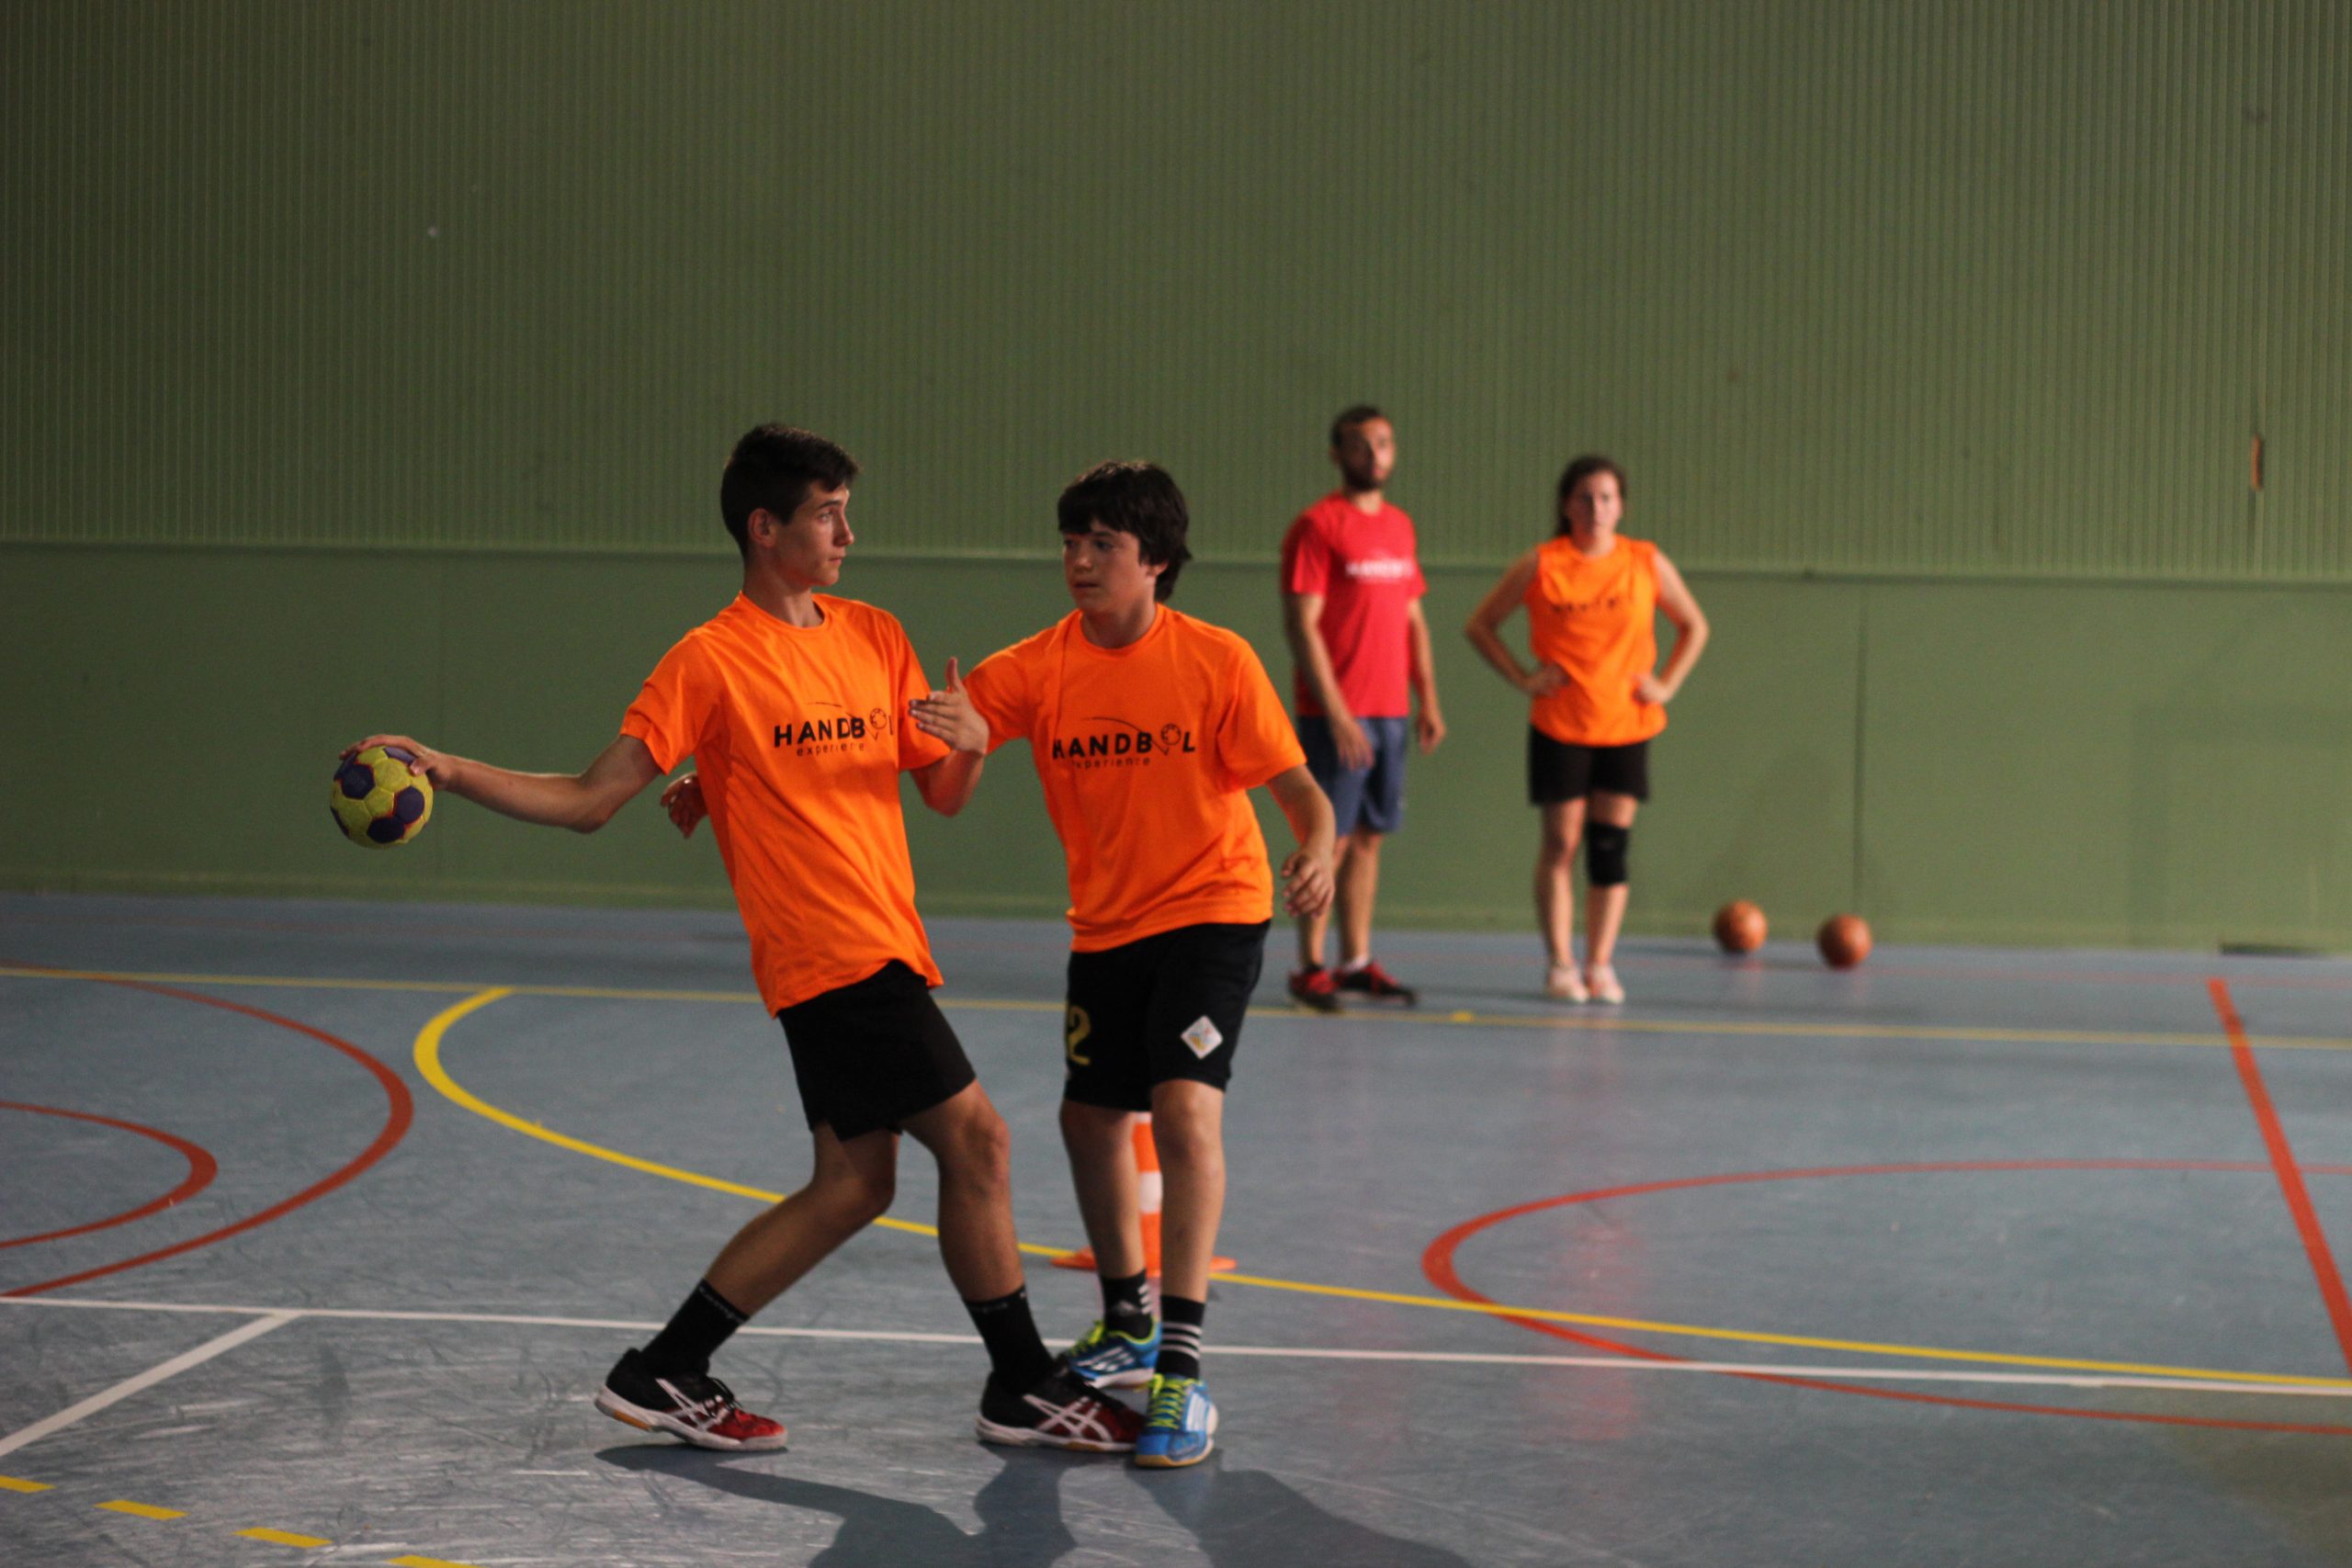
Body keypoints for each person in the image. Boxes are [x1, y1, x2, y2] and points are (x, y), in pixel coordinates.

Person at [342, 424, 1139, 1457]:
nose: (847, 533)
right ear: (766, 529)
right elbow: (589, 799)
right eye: (827, 514)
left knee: (855, 1185)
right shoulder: (710, 661)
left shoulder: (874, 634)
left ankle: (665, 1370)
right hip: (829, 954)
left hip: (886, 940)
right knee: (979, 1140)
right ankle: (1022, 1384)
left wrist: (974, 745)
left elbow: (937, 792)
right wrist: (448, 769)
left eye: (847, 511)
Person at [942, 461, 1336, 1467]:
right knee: (1088, 1119)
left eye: (1103, 544)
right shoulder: (1035, 666)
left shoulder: (1215, 659)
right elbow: (941, 777)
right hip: (1107, 926)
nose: (1079, 560)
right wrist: (969, 742)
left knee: (1184, 1110)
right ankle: (1128, 1320)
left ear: (1155, 559)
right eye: (1071, 542)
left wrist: (1321, 850)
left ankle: (1183, 1373)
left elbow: (1301, 792)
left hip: (1213, 910)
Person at [1463, 455, 1709, 1005]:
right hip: (1562, 722)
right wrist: (1524, 678)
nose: (1596, 508)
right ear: (1566, 505)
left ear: (1621, 506)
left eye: (1606, 498)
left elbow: (1693, 625)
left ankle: (1599, 963)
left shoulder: (1644, 561)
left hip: (1626, 724)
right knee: (1561, 843)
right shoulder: (1542, 563)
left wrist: (1667, 684)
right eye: (1585, 498)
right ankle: (1560, 964)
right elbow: (1481, 625)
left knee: (1609, 848)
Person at [1278, 405, 1445, 1010]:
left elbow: (1413, 618)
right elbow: (1302, 625)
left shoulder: (1400, 527)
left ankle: (1355, 961)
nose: (1374, 454)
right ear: (1337, 454)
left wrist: (1427, 696)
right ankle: (1309, 966)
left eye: (1383, 442)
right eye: (1360, 444)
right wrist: (1337, 712)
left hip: (1391, 711)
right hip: (1337, 716)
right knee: (1332, 839)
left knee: (1370, 838)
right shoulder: (1317, 525)